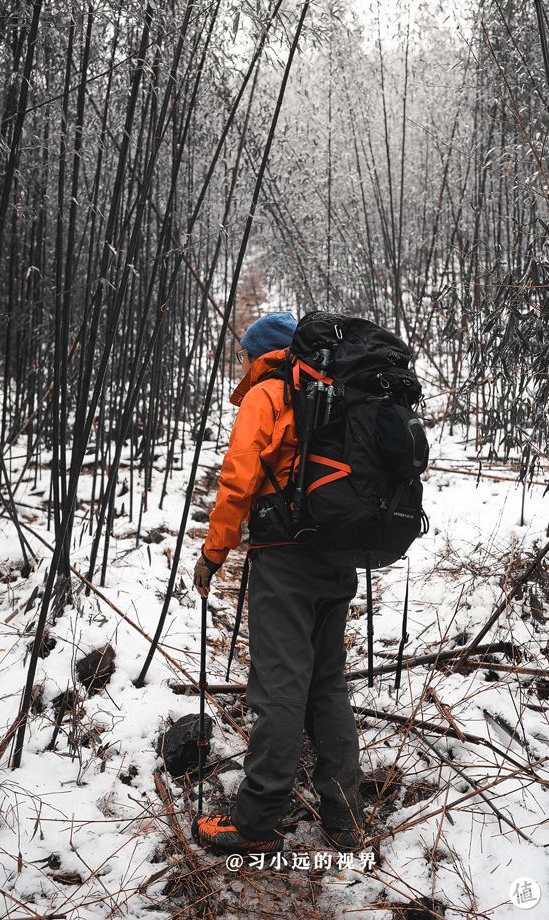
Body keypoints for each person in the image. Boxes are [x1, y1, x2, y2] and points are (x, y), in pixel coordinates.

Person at [191, 311, 366, 855]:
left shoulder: (268, 393)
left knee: (279, 687)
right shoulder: (334, 392)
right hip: (335, 554)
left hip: (285, 558)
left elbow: (239, 476)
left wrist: (214, 551)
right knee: (327, 686)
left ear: (257, 354)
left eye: (244, 355)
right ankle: (346, 818)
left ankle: (258, 819)